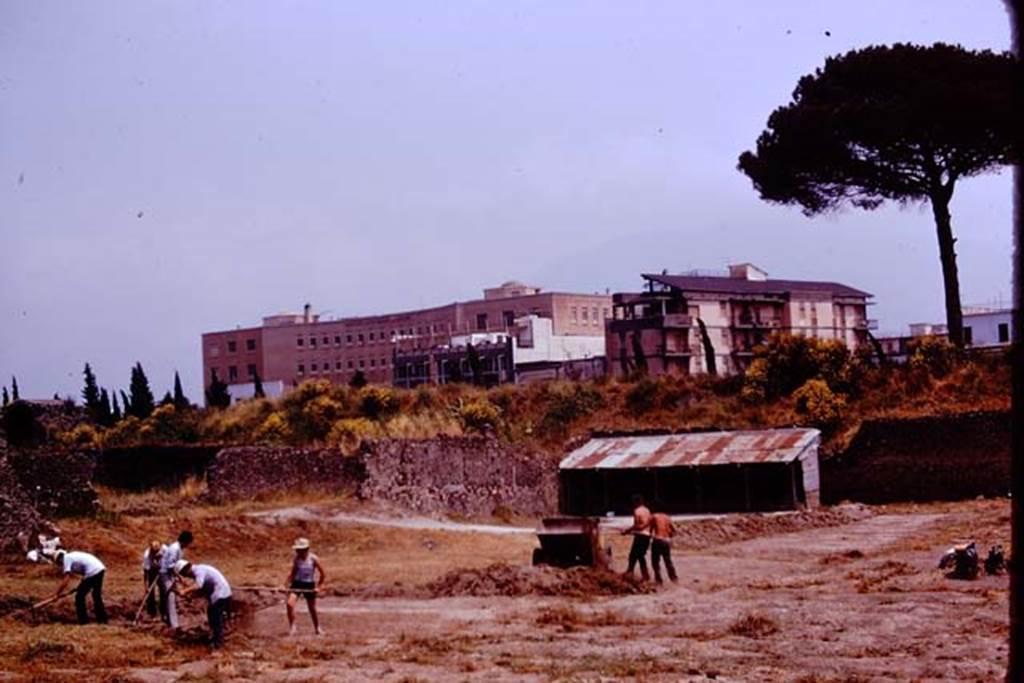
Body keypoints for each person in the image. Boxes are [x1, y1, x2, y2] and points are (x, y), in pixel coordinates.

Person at [175, 560, 232, 649]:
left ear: (187, 569)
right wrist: (191, 595)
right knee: (212, 614)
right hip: (221, 594)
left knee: (215, 617)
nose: (186, 577)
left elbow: (199, 585)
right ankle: (216, 637)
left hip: (221, 594)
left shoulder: (199, 571)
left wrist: (185, 591)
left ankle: (218, 643)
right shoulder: (200, 572)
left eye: (184, 574)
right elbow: (201, 590)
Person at [284, 537, 327, 636]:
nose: (298, 552)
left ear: (306, 549)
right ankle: (293, 627)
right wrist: (285, 585)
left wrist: (318, 587)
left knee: (312, 607)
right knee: (290, 604)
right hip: (297, 583)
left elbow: (323, 574)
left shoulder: (313, 559)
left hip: (308, 584)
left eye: (300, 550)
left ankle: (317, 628)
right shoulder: (296, 559)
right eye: (297, 550)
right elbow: (293, 573)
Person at [53, 549, 108, 624]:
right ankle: (102, 620)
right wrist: (82, 585)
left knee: (79, 597)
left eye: (59, 563)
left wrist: (57, 593)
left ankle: (83, 621)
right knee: (96, 595)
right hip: (99, 568)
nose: (61, 565)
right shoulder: (72, 556)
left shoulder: (66, 558)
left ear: (59, 559)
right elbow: (82, 574)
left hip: (92, 571)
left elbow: (66, 579)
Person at [158, 530, 194, 629]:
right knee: (171, 597)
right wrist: (180, 578)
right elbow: (170, 567)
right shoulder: (174, 549)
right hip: (165, 574)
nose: (188, 545)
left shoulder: (179, 549)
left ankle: (168, 620)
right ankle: (174, 625)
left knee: (170, 597)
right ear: (184, 541)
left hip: (170, 575)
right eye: (188, 543)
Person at [620, 494, 652, 581]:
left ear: (636, 502)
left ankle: (634, 573)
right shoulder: (647, 510)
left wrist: (626, 531)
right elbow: (648, 523)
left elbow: (637, 525)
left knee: (634, 555)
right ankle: (638, 573)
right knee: (639, 555)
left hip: (640, 535)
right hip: (647, 535)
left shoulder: (637, 511)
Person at [650, 510, 678, 584]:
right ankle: (674, 578)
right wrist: (669, 535)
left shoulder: (654, 516)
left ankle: (658, 580)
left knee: (655, 561)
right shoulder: (667, 517)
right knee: (668, 560)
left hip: (658, 540)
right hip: (666, 541)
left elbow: (650, 530)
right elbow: (675, 530)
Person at [141, 540, 164, 617]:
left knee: (163, 589)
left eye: (157, 552)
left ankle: (163, 610)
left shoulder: (165, 550)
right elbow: (145, 572)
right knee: (150, 590)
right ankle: (151, 611)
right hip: (152, 569)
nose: (155, 554)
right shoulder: (147, 555)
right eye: (153, 552)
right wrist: (146, 587)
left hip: (163, 568)